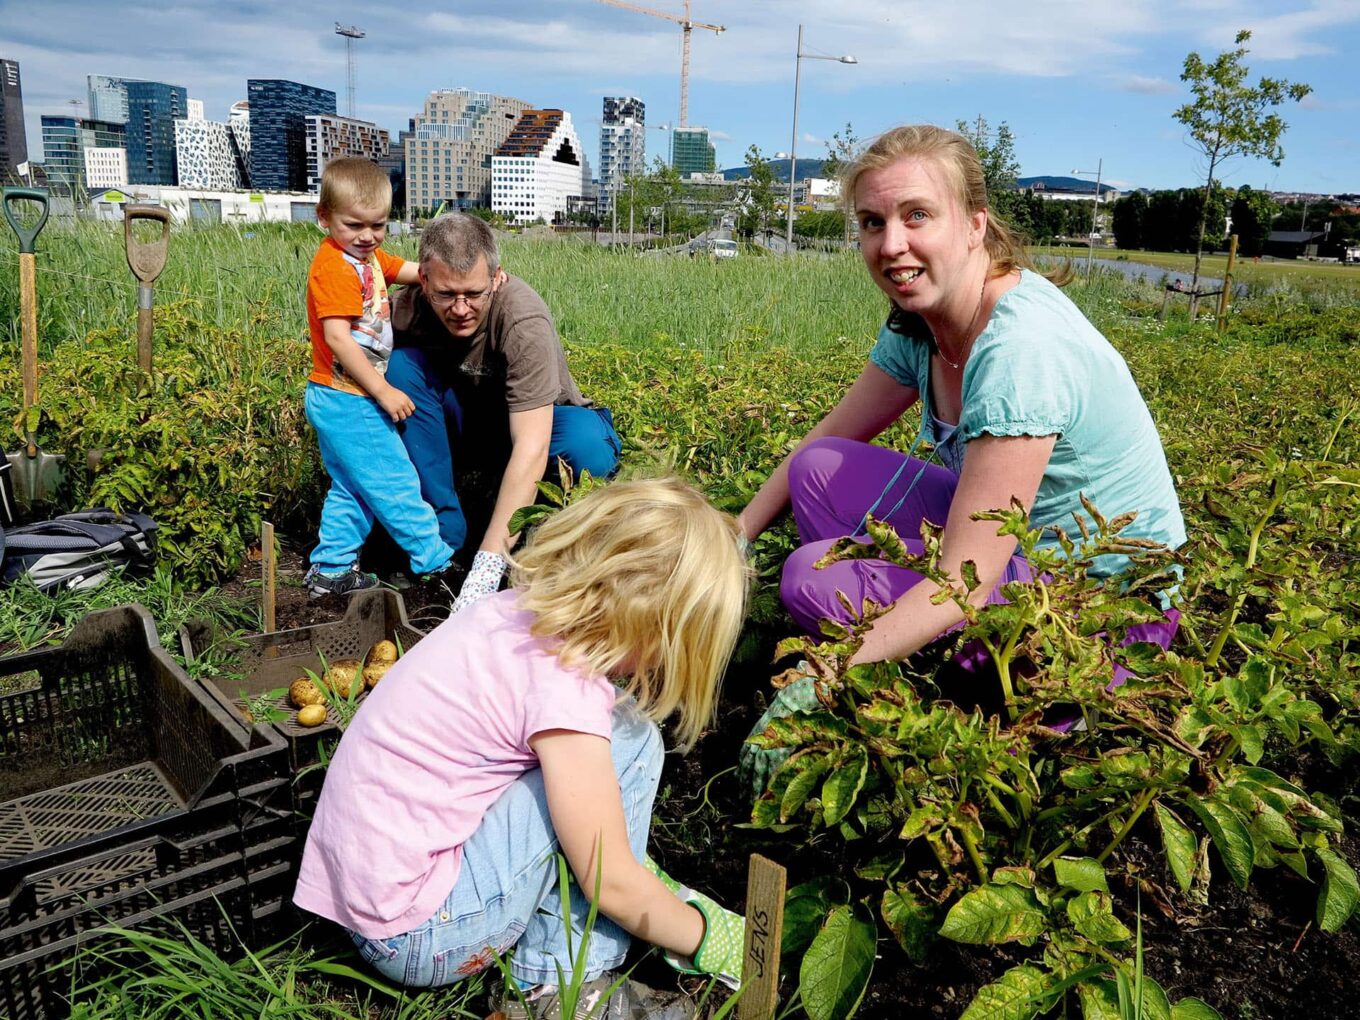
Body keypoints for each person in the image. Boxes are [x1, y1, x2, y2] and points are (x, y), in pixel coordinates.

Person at [293, 476, 750, 1011]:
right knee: (632, 745)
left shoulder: (511, 613)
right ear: (650, 625)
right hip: (420, 935)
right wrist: (710, 939)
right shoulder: (565, 690)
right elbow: (611, 885)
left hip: (363, 898)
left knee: (617, 745)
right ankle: (565, 985)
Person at [738, 124, 1186, 668]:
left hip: (1103, 610)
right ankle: (902, 638)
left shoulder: (1019, 350)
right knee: (818, 469)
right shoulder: (919, 320)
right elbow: (832, 435)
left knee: (810, 580)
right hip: (1013, 553)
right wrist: (732, 539)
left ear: (975, 226)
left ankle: (904, 666)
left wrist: (826, 673)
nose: (891, 244)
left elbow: (965, 582)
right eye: (872, 222)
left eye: (918, 215)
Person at [386, 213, 621, 611]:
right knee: (398, 370)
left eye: (474, 293)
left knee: (589, 446)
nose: (461, 308)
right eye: (446, 295)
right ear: (422, 281)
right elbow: (336, 351)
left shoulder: (522, 318)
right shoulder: (405, 308)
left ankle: (544, 539)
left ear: (497, 278)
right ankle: (444, 537)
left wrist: (488, 567)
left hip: (538, 426)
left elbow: (532, 444)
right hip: (465, 427)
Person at [303, 157, 454, 598]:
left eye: (379, 225)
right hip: (349, 397)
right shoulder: (334, 266)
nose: (367, 236)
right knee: (394, 482)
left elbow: (404, 270)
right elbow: (339, 339)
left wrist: (443, 277)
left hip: (338, 397)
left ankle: (331, 572)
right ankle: (437, 566)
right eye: (354, 225)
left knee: (355, 487)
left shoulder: (362, 258)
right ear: (324, 217)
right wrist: (385, 391)